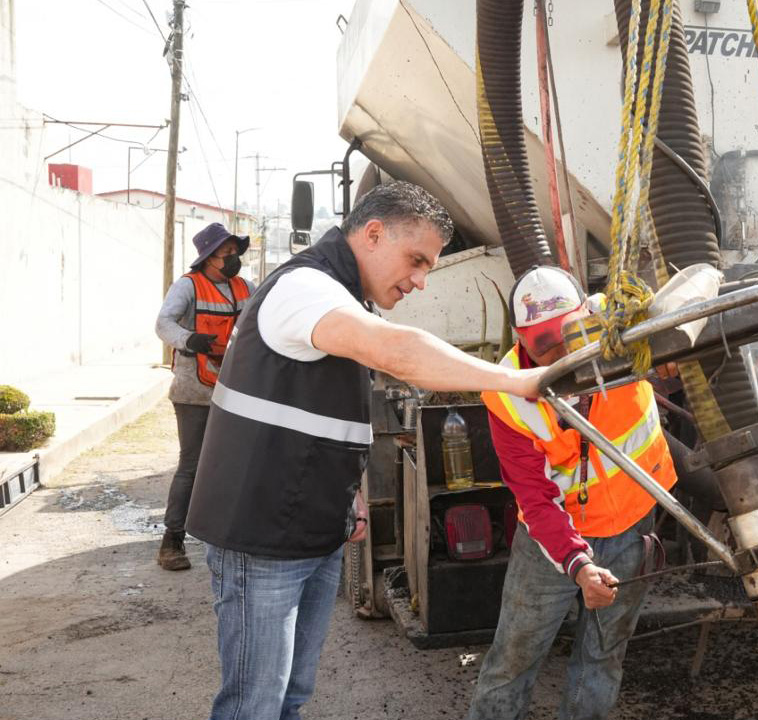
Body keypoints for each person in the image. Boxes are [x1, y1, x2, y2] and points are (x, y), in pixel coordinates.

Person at [184, 181, 546, 720]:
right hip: (261, 538)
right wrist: (519, 381)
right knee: (254, 706)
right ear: (373, 234)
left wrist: (348, 492)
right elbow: (397, 351)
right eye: (417, 261)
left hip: (306, 528)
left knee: (288, 697)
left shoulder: (339, 296)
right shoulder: (305, 287)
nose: (421, 281)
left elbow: (314, 408)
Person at [467, 266, 677, 720]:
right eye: (545, 345)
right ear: (521, 340)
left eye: (571, 335)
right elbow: (534, 498)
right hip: (552, 542)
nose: (563, 354)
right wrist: (578, 565)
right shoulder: (507, 395)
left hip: (631, 526)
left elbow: (680, 341)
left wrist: (672, 356)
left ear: (589, 316)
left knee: (602, 658)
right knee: (512, 660)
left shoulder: (623, 328)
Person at [153, 222, 255, 571]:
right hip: (193, 391)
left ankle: (232, 537)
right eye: (226, 253)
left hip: (234, 389)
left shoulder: (245, 287)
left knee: (237, 463)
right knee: (192, 465)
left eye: (235, 252)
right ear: (209, 257)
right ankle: (172, 541)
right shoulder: (188, 286)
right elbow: (163, 324)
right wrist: (189, 339)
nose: (233, 258)